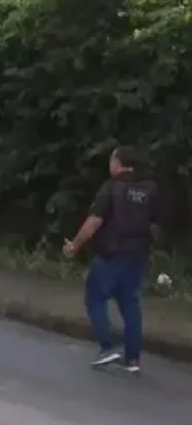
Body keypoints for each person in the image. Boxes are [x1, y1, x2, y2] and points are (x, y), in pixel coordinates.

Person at [63, 145, 159, 373]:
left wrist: (75, 245)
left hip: (111, 255)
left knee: (95, 298)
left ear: (118, 163)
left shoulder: (112, 188)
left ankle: (108, 347)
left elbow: (94, 221)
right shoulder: (150, 190)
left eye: (111, 161)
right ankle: (132, 359)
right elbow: (155, 225)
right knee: (130, 303)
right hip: (137, 257)